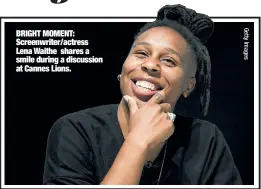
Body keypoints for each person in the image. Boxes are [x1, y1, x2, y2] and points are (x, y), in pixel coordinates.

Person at [43, 4, 242, 185]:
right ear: (123, 68)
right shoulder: (75, 129)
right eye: (141, 53)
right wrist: (139, 141)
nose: (150, 65)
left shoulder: (206, 139)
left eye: (169, 61)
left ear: (188, 86)